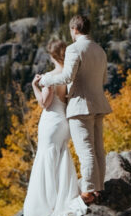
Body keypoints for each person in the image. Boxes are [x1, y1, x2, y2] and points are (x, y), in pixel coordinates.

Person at [33, 14, 111, 204]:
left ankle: (88, 192)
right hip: (99, 103)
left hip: (80, 106)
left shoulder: (74, 48)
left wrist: (44, 80)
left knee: (86, 151)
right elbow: (104, 80)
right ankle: (98, 188)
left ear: (74, 29)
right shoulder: (100, 50)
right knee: (99, 149)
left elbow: (67, 76)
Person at [22, 39, 87, 216]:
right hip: (64, 122)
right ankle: (62, 197)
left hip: (51, 122)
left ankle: (48, 204)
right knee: (60, 155)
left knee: (46, 158)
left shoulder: (50, 77)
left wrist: (34, 86)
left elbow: (44, 103)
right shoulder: (70, 76)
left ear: (51, 56)